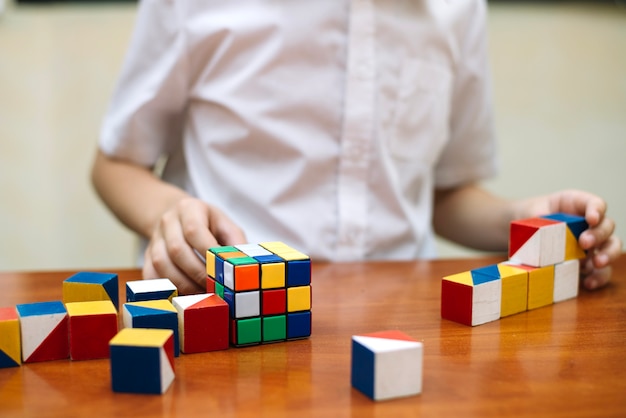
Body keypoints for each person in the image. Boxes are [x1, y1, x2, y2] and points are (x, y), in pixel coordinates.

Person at [91, 0, 621, 295]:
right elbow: (114, 164)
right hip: (227, 308)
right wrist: (167, 213)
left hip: (408, 321)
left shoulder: (460, 10)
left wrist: (524, 220)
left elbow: (443, 193)